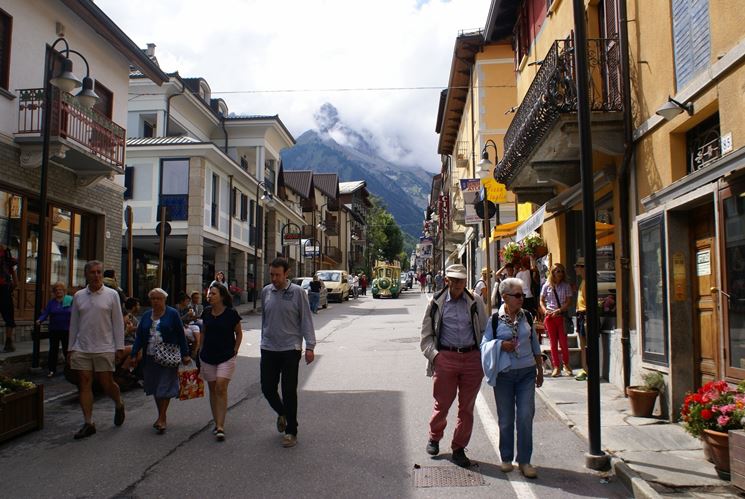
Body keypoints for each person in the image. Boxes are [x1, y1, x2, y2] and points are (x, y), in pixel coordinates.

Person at [420, 263, 487, 468]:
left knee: (466, 408)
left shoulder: (475, 302)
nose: (458, 284)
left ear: (466, 281)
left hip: (471, 359)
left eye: (462, 280)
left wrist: (483, 356)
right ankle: (434, 436)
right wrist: (436, 356)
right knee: (442, 405)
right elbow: (426, 336)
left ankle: (458, 448)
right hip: (446, 358)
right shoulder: (435, 303)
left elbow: (484, 331)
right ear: (447, 280)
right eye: (454, 280)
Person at [480, 277, 544, 478]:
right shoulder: (495, 320)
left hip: (526, 372)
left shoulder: (527, 316)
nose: (521, 298)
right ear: (505, 297)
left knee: (525, 416)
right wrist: (500, 344)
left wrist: (540, 369)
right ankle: (506, 457)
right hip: (505, 375)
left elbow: (534, 343)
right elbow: (484, 345)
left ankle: (525, 461)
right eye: (517, 295)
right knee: (506, 419)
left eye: (522, 295)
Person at [260, 257, 316, 448]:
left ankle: (291, 431)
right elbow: (265, 320)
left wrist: (310, 346)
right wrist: (263, 340)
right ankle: (283, 413)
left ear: (287, 273)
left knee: (288, 390)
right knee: (267, 388)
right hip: (268, 348)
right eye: (271, 274)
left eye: (277, 275)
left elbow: (306, 320)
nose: (274, 278)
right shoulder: (266, 291)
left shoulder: (298, 293)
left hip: (290, 349)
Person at [68, 260, 126, 439]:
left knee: (106, 383)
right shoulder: (79, 296)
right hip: (82, 347)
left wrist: (119, 347)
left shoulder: (111, 295)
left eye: (99, 272)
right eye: (92, 272)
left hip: (105, 346)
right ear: (86, 275)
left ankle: (118, 403)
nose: (96, 275)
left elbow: (118, 322)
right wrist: (71, 347)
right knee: (84, 383)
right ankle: (88, 422)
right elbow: (74, 324)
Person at [129, 288, 190, 434]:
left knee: (164, 386)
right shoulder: (146, 316)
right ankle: (161, 415)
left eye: (159, 299)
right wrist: (133, 354)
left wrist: (185, 353)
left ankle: (162, 418)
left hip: (168, 356)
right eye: (153, 299)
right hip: (150, 357)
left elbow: (181, 335)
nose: (156, 301)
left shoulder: (172, 314)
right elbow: (139, 337)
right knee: (156, 387)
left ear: (164, 300)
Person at [200, 281, 243, 441]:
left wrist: (236, 349)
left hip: (226, 356)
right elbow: (203, 332)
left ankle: (220, 426)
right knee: (212, 389)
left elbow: (238, 333)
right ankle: (216, 420)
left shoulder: (231, 313)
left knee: (220, 386)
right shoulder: (206, 312)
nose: (210, 296)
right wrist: (199, 349)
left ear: (222, 296)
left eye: (213, 294)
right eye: (209, 294)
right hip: (208, 356)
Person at [539, 263, 574, 377]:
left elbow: (569, 302)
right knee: (553, 343)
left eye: (561, 271)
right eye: (557, 271)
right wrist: (545, 311)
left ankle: (566, 364)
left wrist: (559, 310)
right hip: (550, 317)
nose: (560, 273)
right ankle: (556, 366)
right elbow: (541, 300)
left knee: (563, 343)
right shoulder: (546, 285)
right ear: (552, 273)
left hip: (561, 316)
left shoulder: (566, 286)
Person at [36, 282, 73, 378]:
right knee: (53, 350)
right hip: (54, 330)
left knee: (66, 350)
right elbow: (46, 313)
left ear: (64, 291)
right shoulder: (52, 302)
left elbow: (76, 313)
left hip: (66, 330)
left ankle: (70, 369)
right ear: (54, 292)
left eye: (60, 290)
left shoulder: (70, 300)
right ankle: (52, 370)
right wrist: (40, 320)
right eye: (56, 290)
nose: (58, 292)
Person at [0, 244, 18, 352]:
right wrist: (11, 287)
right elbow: (16, 282)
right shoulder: (8, 258)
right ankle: (8, 342)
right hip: (4, 290)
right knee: (9, 317)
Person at [574, 258, 588, 381]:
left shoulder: (586, 282)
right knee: (583, 343)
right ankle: (585, 368)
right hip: (580, 314)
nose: (576, 268)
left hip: (584, 314)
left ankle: (587, 369)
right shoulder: (583, 281)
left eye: (578, 266)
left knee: (586, 344)